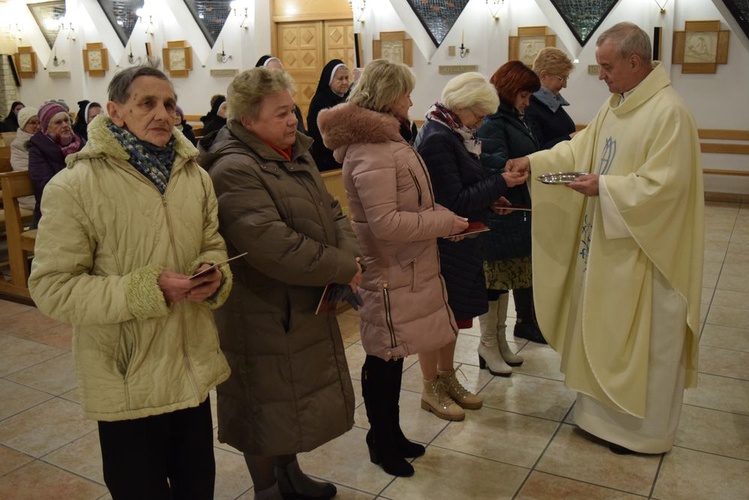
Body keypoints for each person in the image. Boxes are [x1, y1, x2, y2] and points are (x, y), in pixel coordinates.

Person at [27, 66, 232, 499]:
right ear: (116, 112)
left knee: (198, 488)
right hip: (127, 375)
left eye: (169, 104)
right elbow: (52, 287)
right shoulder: (75, 185)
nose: (162, 113)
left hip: (188, 364)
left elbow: (212, 241)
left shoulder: (194, 176)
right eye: (147, 103)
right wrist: (148, 290)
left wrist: (214, 272)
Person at [506, 22, 704, 455]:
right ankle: (598, 420)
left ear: (635, 62)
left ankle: (642, 434)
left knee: (642, 342)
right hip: (607, 247)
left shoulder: (668, 112)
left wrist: (608, 188)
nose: (601, 77)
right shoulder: (617, 105)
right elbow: (578, 150)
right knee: (601, 330)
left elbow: (668, 189)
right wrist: (533, 161)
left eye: (606, 67)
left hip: (646, 255)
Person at [199, 67, 362, 500]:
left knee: (289, 405)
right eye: (281, 114)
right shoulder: (233, 168)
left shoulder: (293, 151)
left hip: (301, 302)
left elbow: (333, 210)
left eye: (292, 110)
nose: (293, 121)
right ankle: (266, 489)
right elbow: (274, 246)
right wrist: (343, 267)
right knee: (264, 405)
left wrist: (347, 257)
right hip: (261, 310)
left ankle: (290, 475)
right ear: (247, 120)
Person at [318, 59, 469, 478]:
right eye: (405, 93)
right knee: (382, 358)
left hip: (406, 267)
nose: (411, 100)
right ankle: (380, 443)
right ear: (387, 98)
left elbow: (415, 206)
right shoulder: (371, 150)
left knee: (394, 354)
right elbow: (386, 224)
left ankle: (392, 434)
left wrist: (448, 222)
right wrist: (442, 223)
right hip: (386, 272)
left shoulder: (389, 143)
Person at [413, 72, 528, 418]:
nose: (480, 123)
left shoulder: (456, 132)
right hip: (445, 243)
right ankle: (431, 387)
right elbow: (454, 200)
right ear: (461, 106)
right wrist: (499, 184)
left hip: (464, 240)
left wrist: (492, 198)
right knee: (438, 319)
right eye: (478, 115)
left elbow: (466, 186)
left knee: (454, 318)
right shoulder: (437, 138)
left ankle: (447, 378)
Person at [477, 61, 546, 351]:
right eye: (524, 96)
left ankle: (500, 341)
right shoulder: (494, 121)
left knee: (508, 280)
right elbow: (495, 166)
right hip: (503, 211)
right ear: (508, 92)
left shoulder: (517, 118)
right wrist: (529, 168)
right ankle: (489, 345)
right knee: (495, 282)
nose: (528, 103)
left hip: (519, 210)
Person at [28, 101, 85, 227]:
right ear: (46, 127)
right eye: (58, 122)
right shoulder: (37, 149)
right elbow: (45, 185)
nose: (65, 125)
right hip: (52, 212)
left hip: (84, 207)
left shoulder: (81, 144)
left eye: (67, 120)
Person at [525, 47, 577, 149]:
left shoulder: (552, 102)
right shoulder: (529, 105)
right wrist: (570, 138)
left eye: (566, 78)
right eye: (562, 78)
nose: (565, 85)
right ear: (543, 75)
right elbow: (537, 149)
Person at [307, 59, 350, 171]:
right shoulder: (320, 101)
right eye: (340, 79)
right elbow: (318, 134)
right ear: (329, 80)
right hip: (326, 158)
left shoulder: (350, 97)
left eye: (347, 78)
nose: (345, 82)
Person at [255, 54, 306, 134]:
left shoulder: (293, 108)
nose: (279, 79)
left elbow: (301, 138)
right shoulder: (255, 109)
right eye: (274, 74)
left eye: (282, 74)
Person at [9, 106, 40, 212]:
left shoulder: (44, 141)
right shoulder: (17, 145)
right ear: (23, 125)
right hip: (30, 194)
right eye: (33, 123)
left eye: (39, 122)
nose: (38, 126)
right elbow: (25, 171)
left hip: (44, 189)